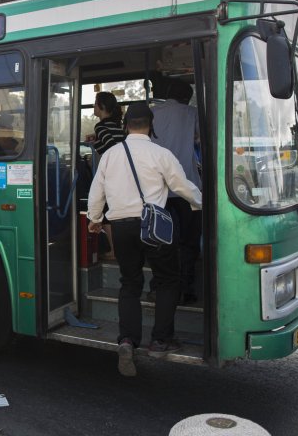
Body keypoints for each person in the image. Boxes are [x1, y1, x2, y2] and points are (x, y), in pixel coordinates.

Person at [87, 102, 201, 377]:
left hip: (121, 227)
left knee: (130, 283)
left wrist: (94, 218)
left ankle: (127, 340)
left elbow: (96, 190)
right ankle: (160, 341)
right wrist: (200, 204)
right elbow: (181, 186)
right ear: (151, 125)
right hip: (153, 226)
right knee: (166, 280)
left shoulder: (111, 155)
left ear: (126, 125)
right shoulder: (161, 153)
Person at [151, 79, 203, 305]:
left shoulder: (153, 112)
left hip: (157, 190)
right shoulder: (192, 113)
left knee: (159, 241)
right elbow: (200, 139)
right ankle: (187, 289)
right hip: (186, 188)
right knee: (188, 243)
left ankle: (159, 287)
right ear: (187, 97)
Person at [86, 92, 126, 259]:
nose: (94, 107)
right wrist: (96, 142)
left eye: (95, 104)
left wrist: (97, 145)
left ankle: (113, 251)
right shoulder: (118, 125)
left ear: (101, 107)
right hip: (123, 173)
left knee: (108, 213)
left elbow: (111, 148)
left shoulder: (101, 126)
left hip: (112, 174)